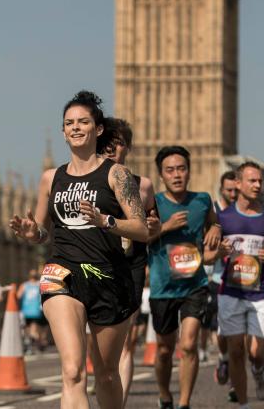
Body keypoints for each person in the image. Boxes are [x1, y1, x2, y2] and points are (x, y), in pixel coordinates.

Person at [9, 91, 148, 409]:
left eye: (83, 121)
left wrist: (106, 220)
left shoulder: (117, 174)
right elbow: (44, 233)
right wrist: (33, 233)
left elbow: (140, 228)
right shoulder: (50, 178)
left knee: (107, 375)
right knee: (72, 371)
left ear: (98, 129)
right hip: (62, 273)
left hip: (109, 277)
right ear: (62, 131)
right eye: (68, 123)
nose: (75, 127)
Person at [147, 145, 221, 409]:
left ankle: (185, 403)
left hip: (195, 284)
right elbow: (136, 236)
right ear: (161, 175)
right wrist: (166, 227)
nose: (176, 174)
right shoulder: (152, 203)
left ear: (189, 172)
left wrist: (216, 228)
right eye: (170, 170)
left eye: (181, 169)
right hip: (162, 287)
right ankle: (165, 395)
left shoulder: (202, 200)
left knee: (188, 344)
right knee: (165, 350)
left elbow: (214, 221)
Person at [215, 161, 264, 409]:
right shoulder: (222, 218)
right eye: (252, 180)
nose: (258, 185)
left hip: (261, 293)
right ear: (238, 183)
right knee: (235, 350)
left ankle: (259, 369)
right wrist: (218, 251)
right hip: (231, 292)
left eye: (260, 181)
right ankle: (244, 403)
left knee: (256, 351)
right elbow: (206, 253)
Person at [99, 116, 157, 408]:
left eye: (118, 142)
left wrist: (156, 226)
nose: (112, 147)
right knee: (95, 349)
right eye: (107, 141)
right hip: (94, 264)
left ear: (128, 148)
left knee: (126, 343)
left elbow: (151, 228)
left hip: (129, 268)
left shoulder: (143, 186)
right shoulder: (87, 182)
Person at [210, 171, 237, 386]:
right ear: (221, 189)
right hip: (217, 278)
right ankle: (223, 357)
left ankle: (237, 384)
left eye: (236, 189)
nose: (233, 193)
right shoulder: (212, 211)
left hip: (243, 280)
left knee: (239, 335)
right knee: (220, 329)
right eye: (229, 190)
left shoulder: (245, 212)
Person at [18, 268, 49, 353]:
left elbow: (18, 296)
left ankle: (32, 345)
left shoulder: (24, 285)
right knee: (33, 330)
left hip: (26, 311)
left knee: (28, 330)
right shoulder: (40, 284)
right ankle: (39, 343)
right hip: (36, 311)